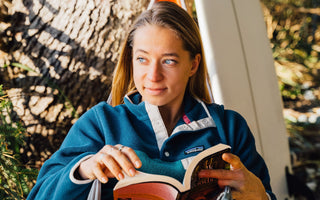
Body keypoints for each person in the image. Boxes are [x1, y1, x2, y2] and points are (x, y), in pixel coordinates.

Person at [27, 1, 276, 200]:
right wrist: (84, 169)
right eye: (142, 59)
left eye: (169, 60)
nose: (153, 76)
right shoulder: (100, 123)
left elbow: (265, 194)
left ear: (193, 65)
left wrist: (261, 196)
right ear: (131, 60)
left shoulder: (229, 127)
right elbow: (39, 195)